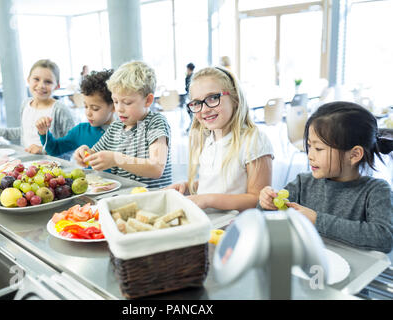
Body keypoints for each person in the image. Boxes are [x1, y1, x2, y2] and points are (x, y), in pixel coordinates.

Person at [258, 101, 393, 253]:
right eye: (309, 146)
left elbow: (384, 238)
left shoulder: (376, 191)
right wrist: (266, 204)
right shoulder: (303, 183)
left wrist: (317, 220)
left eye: (319, 149)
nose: (310, 155)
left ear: (354, 155)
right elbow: (268, 219)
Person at [165, 67, 274, 212]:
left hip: (235, 228)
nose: (204, 110)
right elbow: (220, 185)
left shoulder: (253, 140)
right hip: (209, 224)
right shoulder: (209, 138)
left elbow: (257, 200)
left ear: (234, 99)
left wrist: (207, 200)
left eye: (213, 98)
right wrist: (189, 187)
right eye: (197, 103)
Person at [73, 61, 172, 189]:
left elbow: (156, 168)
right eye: (115, 101)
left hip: (153, 197)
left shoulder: (156, 123)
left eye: (127, 102)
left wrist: (116, 159)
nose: (119, 108)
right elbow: (94, 153)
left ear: (148, 100)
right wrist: (84, 153)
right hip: (124, 197)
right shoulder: (115, 127)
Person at [0, 59, 75, 154]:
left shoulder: (59, 110)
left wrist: (44, 150)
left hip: (54, 165)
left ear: (56, 86)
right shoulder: (25, 104)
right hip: (29, 162)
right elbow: (24, 131)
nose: (41, 85)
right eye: (36, 79)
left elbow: (72, 142)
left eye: (48, 82)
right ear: (28, 80)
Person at [35, 69, 115, 160]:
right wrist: (44, 133)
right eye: (85, 106)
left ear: (114, 106)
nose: (88, 113)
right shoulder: (80, 131)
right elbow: (55, 149)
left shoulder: (125, 133)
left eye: (95, 108)